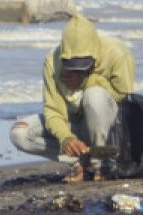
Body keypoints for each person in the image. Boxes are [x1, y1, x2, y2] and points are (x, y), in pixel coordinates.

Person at [9, 15, 135, 181]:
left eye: (82, 64)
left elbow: (124, 97)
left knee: (94, 96)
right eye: (71, 64)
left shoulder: (118, 54)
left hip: (110, 131)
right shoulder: (52, 62)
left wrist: (87, 80)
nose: (76, 69)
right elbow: (53, 111)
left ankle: (102, 165)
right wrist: (66, 138)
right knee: (20, 132)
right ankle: (78, 162)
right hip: (75, 127)